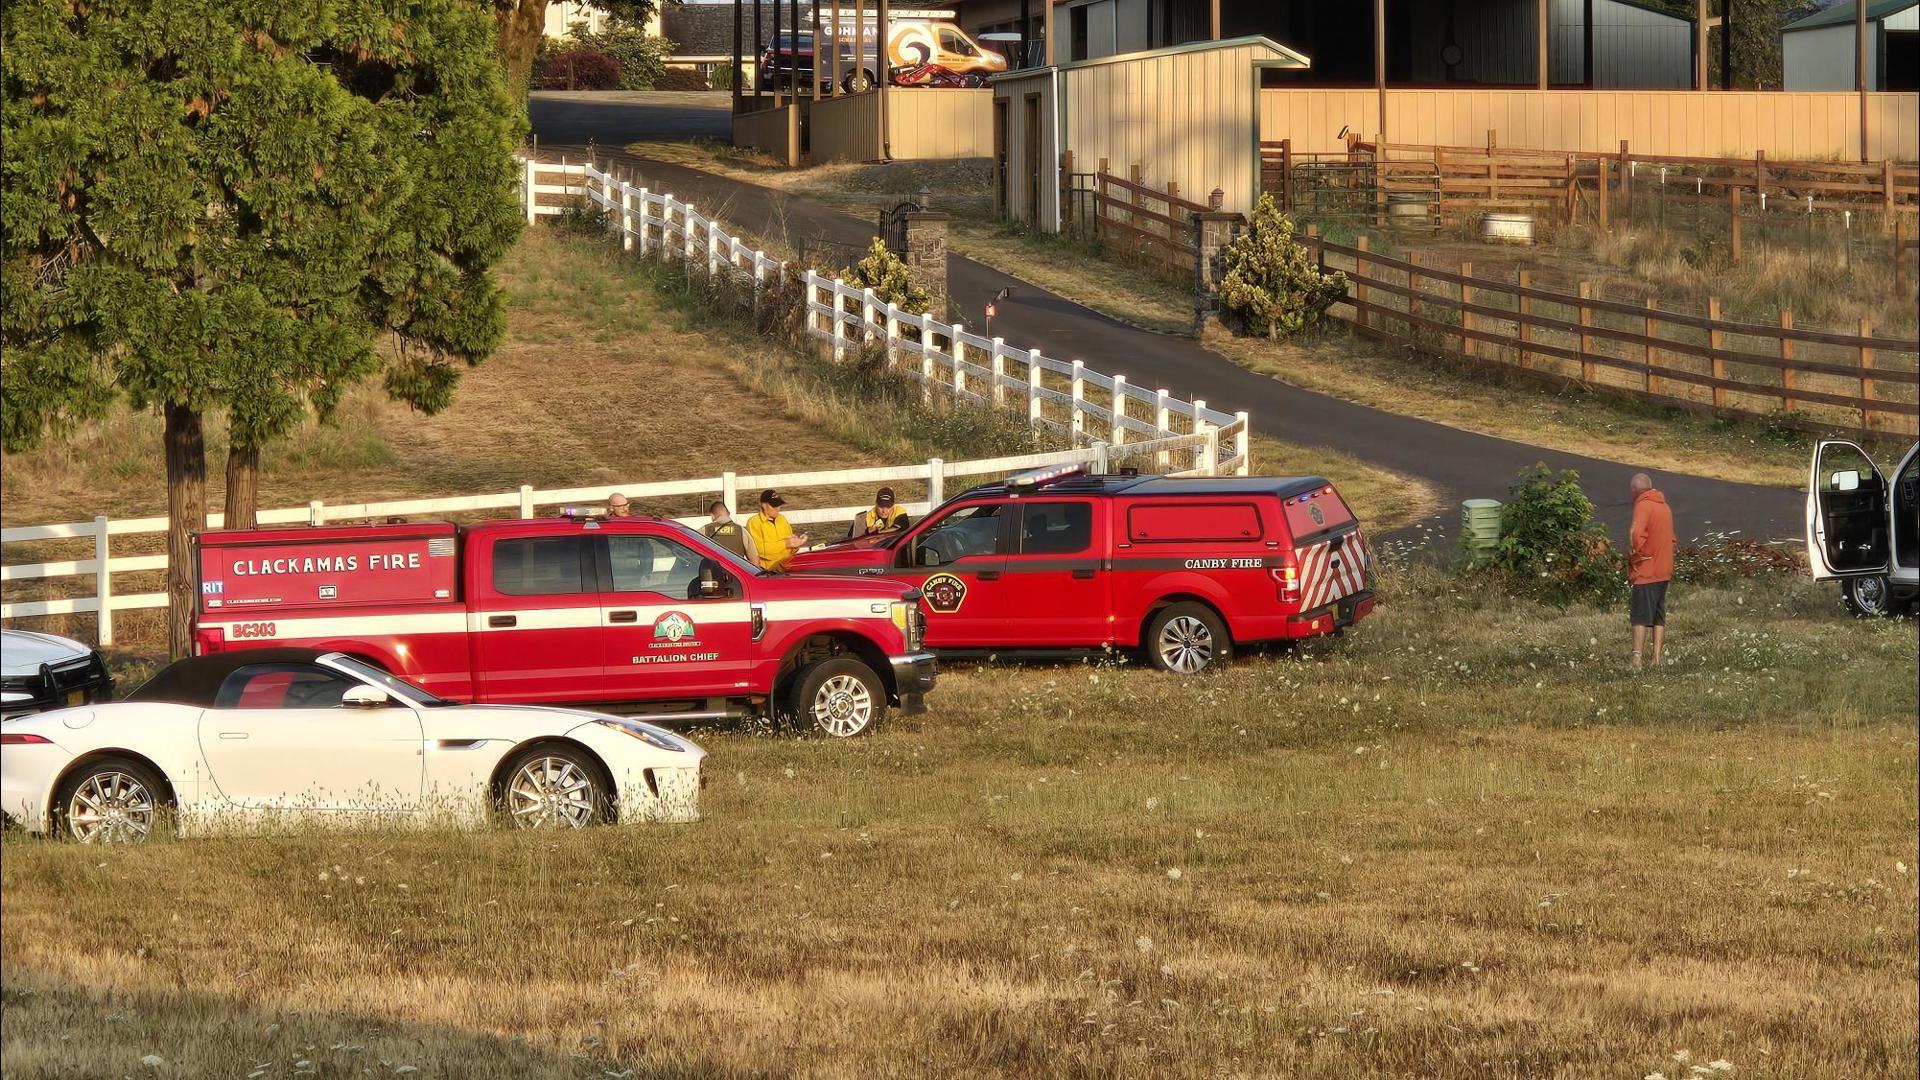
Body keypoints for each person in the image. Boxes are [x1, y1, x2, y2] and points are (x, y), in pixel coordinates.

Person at [1627, 472, 1675, 670]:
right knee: (1658, 615)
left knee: (1639, 616)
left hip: (1646, 569)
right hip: (1664, 569)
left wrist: (1635, 555)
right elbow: (1672, 538)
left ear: (1635, 490)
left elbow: (1636, 534)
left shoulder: (1643, 505)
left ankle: (1636, 660)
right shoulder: (1664, 507)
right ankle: (1656, 659)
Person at [745, 489, 808, 572]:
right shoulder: (754, 522)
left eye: (779, 505)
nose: (778, 509)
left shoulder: (782, 519)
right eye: (774, 506)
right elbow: (759, 551)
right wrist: (786, 544)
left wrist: (797, 544)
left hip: (787, 569)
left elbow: (791, 550)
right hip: (768, 572)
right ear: (764, 505)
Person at [701, 500, 758, 565]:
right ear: (728, 514)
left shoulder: (705, 530)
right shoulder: (742, 531)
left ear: (712, 516)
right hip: (737, 574)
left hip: (712, 574)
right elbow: (755, 560)